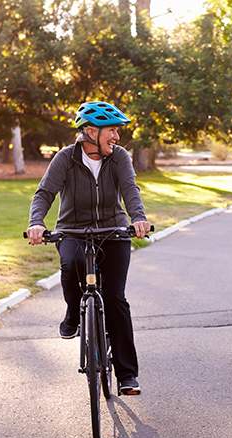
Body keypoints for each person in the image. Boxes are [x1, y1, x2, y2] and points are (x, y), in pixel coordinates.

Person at [27, 101, 150, 395]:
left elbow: (130, 190)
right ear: (90, 132)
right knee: (70, 265)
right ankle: (73, 312)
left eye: (117, 132)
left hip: (113, 230)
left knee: (116, 299)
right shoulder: (65, 159)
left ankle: (127, 376)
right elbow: (44, 193)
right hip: (73, 230)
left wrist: (138, 218)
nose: (117, 137)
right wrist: (36, 222)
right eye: (112, 131)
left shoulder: (119, 157)